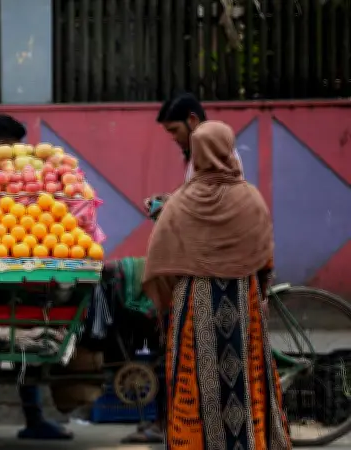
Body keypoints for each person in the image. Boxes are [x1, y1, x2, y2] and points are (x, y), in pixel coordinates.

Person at [143, 120, 291, 450]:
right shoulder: (250, 199)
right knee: (245, 382)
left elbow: (160, 260)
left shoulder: (181, 203)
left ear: (196, 155)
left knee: (194, 386)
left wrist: (170, 303)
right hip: (243, 307)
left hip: (193, 308)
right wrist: (259, 288)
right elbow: (265, 260)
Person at [124, 93, 244, 444]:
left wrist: (175, 211)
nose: (174, 138)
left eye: (176, 130)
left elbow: (205, 209)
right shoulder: (205, 166)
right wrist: (173, 204)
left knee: (201, 355)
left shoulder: (219, 170)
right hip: (208, 276)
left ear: (193, 122)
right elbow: (195, 199)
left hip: (213, 280)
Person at [0, 114, 73, 442]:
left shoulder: (24, 174)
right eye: (13, 145)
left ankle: (34, 418)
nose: (19, 151)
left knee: (23, 339)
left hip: (23, 265)